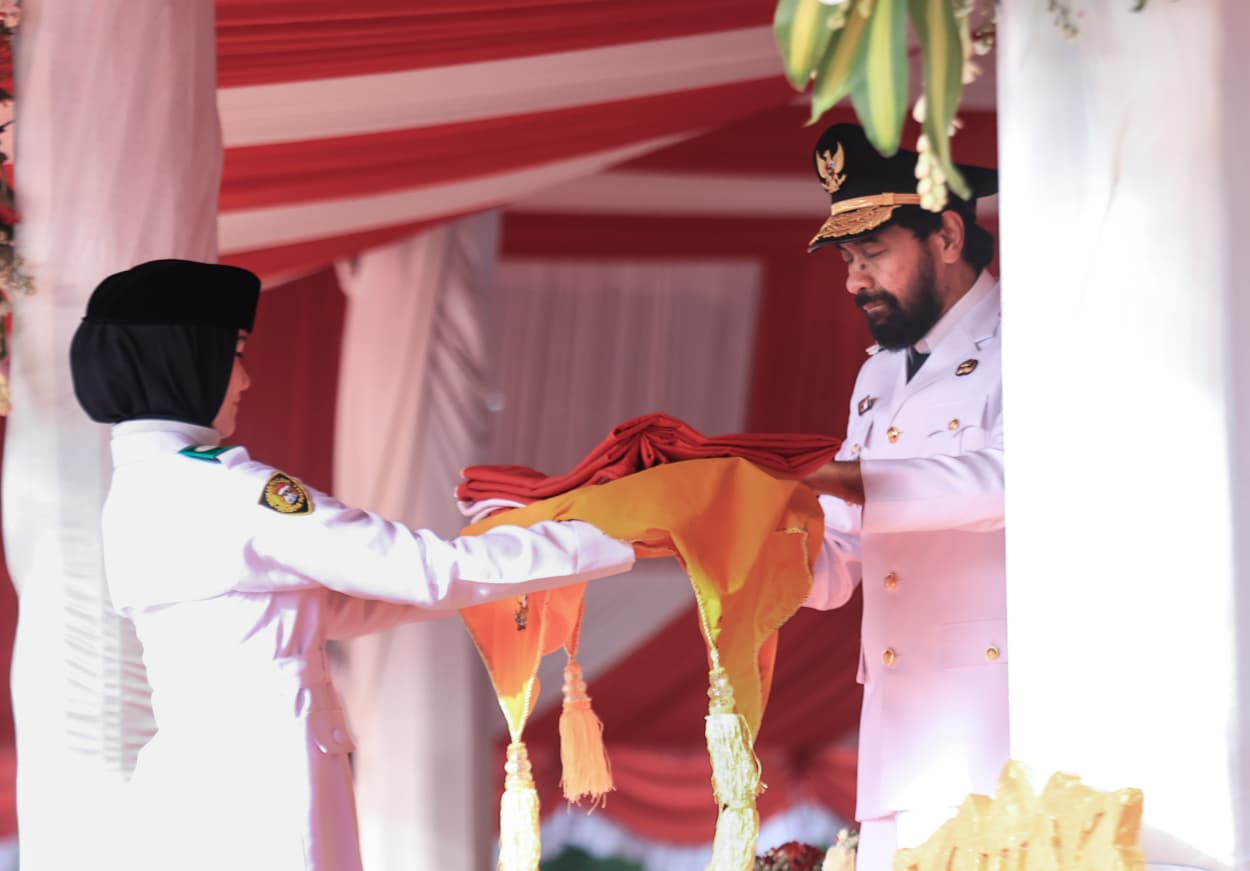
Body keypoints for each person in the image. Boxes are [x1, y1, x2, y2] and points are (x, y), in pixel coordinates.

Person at [67, 258, 637, 871]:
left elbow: (342, 604)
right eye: (235, 354)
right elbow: (425, 572)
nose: (245, 380)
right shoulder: (230, 490)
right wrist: (618, 532)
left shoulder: (135, 493)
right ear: (185, 359)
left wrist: (497, 560)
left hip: (197, 784)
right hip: (264, 787)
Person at [798, 124, 1006, 869]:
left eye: (872, 253)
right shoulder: (877, 375)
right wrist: (737, 529)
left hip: (996, 728)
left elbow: (1013, 481)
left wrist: (845, 480)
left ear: (947, 236)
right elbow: (836, 562)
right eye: (848, 260)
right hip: (897, 735)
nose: (854, 282)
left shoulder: (1031, 342)